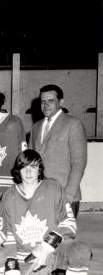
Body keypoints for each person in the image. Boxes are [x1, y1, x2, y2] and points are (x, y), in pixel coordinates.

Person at [1, 150, 91, 275]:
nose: (28, 172)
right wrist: (12, 270)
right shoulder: (8, 196)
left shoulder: (53, 187)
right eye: (24, 167)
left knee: (80, 251)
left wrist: (46, 245)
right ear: (17, 170)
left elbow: (70, 222)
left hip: (54, 251)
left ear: (40, 169)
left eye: (33, 167)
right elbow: (8, 237)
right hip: (28, 259)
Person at [31, 84, 87, 218]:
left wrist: (68, 195)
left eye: (51, 101)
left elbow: (79, 164)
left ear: (61, 102)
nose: (46, 105)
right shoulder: (35, 126)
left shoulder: (73, 124)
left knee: (63, 238)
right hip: (39, 196)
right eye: (43, 101)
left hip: (65, 195)